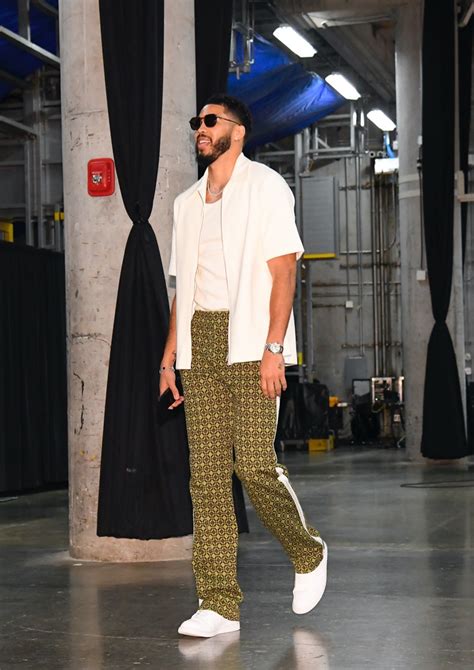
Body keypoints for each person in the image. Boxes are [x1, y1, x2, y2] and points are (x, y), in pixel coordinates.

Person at [159, 94, 327, 638]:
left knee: (254, 465)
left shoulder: (266, 187)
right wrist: (169, 357)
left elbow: (284, 273)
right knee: (207, 479)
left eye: (210, 121)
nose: (201, 129)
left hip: (253, 341)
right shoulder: (186, 203)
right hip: (199, 345)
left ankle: (307, 551)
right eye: (197, 122)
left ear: (238, 131)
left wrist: (275, 348)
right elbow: (183, 289)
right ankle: (218, 604)